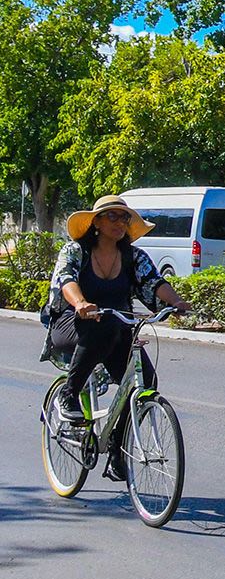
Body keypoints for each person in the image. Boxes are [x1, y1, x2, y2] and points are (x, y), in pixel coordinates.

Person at [45, 195, 195, 476]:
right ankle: (69, 394)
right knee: (104, 329)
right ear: (96, 223)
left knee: (145, 380)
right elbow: (66, 280)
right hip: (73, 323)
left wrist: (175, 303)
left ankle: (117, 447)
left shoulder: (133, 257)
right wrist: (80, 304)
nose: (120, 223)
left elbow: (154, 281)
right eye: (112, 216)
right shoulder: (75, 251)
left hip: (115, 327)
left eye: (124, 218)